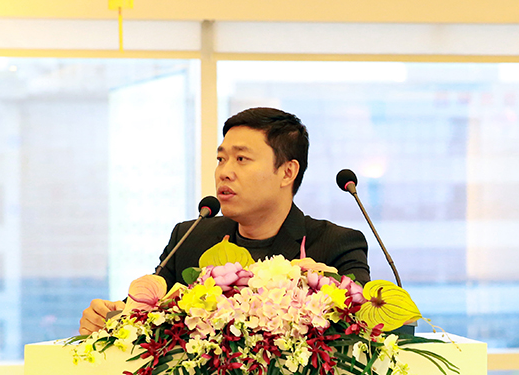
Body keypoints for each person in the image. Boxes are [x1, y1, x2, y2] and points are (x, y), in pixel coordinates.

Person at [79, 107, 370, 334]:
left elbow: (362, 330)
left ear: (287, 172)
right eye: (221, 159)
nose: (224, 172)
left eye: (241, 159)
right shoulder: (191, 238)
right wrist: (107, 317)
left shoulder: (336, 245)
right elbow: (143, 314)